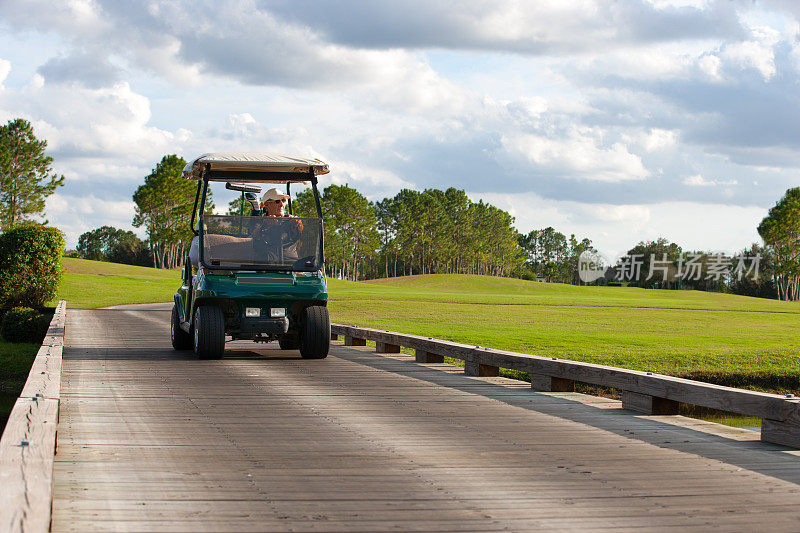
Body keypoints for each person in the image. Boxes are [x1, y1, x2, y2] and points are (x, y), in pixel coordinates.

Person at [255, 188, 303, 260]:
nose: (281, 204)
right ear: (267, 205)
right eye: (277, 201)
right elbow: (254, 236)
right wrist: (267, 225)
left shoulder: (290, 221)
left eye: (283, 200)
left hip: (292, 265)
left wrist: (298, 225)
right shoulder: (260, 221)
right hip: (268, 265)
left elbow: (302, 236)